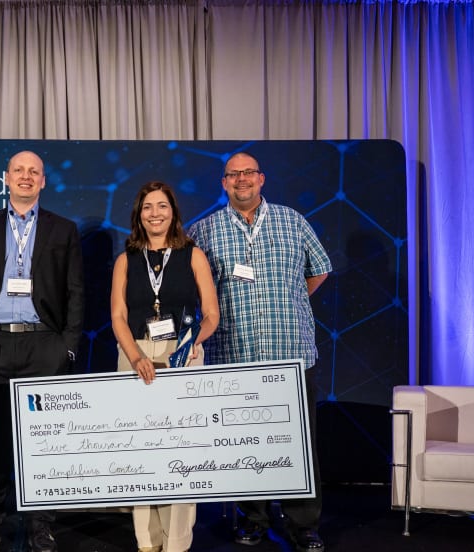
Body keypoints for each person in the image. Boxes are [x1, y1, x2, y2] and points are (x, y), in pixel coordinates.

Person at [187, 152, 331, 552]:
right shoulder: (204, 230)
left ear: (262, 178)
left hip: (291, 353)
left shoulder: (292, 221)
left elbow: (319, 269)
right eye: (233, 175)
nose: (242, 180)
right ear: (224, 183)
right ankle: (254, 517)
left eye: (248, 173)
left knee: (299, 443)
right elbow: (192, 289)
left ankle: (304, 524)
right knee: (246, 444)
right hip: (235, 356)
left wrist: (289, 300)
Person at [0, 151, 84, 552]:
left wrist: (67, 347)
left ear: (43, 181)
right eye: (19, 171)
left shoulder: (63, 230)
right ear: (6, 179)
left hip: (43, 343)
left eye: (34, 172)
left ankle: (40, 526)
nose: (26, 177)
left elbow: (75, 291)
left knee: (41, 441)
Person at [110, 181, 219, 552]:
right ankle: (147, 540)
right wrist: (136, 356)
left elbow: (212, 314)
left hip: (183, 354)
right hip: (135, 353)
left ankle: (177, 542)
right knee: (142, 451)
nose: (155, 213)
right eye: (147, 207)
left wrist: (192, 343)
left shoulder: (193, 255)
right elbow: (118, 315)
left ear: (173, 212)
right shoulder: (126, 259)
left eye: (162, 206)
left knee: (181, 452)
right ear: (138, 215)